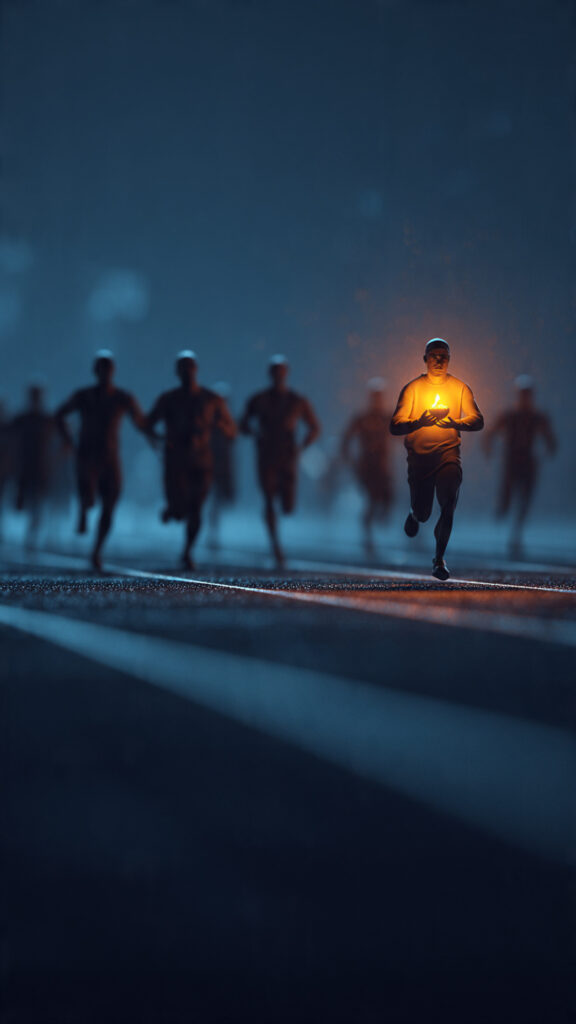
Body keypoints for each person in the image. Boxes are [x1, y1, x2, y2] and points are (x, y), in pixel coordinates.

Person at [390, 337, 484, 580]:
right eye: (434, 357)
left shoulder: (460, 388)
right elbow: (395, 425)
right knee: (424, 513)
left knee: (448, 503)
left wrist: (456, 423)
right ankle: (414, 514)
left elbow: (478, 420)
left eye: (443, 357)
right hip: (420, 459)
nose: (439, 361)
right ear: (425, 359)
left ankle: (439, 559)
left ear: (450, 360)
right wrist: (419, 422)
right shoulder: (412, 389)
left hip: (448, 454)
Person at [55, 351, 146, 571]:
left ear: (113, 372)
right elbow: (59, 414)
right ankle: (84, 508)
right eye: (101, 369)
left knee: (110, 504)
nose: (105, 374)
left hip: (109, 456)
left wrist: (159, 437)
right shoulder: (83, 396)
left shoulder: (122, 397)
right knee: (88, 493)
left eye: (108, 370)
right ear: (95, 372)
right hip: (87, 454)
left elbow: (141, 422)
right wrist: (68, 439)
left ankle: (97, 550)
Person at [146, 351, 237, 570]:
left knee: (196, 507)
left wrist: (220, 428)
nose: (188, 373)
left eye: (190, 368)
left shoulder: (211, 399)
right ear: (178, 372)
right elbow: (148, 424)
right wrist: (159, 443)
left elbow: (231, 429)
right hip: (176, 463)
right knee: (180, 509)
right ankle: (172, 510)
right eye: (183, 369)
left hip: (201, 462)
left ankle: (187, 551)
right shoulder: (169, 399)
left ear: (196, 370)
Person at [240, 355, 320, 567]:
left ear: (286, 374)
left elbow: (314, 427)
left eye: (281, 372)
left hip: (287, 457)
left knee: (288, 506)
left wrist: (302, 446)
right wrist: (255, 432)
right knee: (268, 499)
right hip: (266, 456)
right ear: (270, 374)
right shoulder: (259, 400)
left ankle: (279, 525)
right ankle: (275, 545)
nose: (278, 376)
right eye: (275, 373)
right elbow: (242, 424)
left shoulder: (297, 401)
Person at [484, 375, 557, 557]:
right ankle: (504, 518)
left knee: (525, 498)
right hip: (512, 461)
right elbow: (491, 433)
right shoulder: (510, 416)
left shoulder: (535, 417)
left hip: (526, 461)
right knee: (508, 497)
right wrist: (488, 447)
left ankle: (515, 533)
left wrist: (550, 448)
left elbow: (548, 436)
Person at [341, 377, 394, 555]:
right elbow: (346, 438)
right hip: (367, 467)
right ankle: (368, 536)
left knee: (388, 497)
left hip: (383, 466)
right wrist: (349, 460)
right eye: (375, 396)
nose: (377, 400)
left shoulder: (388, 418)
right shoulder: (362, 419)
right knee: (372, 499)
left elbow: (404, 435)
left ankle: (379, 520)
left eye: (379, 396)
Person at [11, 385, 57, 548]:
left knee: (37, 502)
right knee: (24, 501)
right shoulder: (23, 418)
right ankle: (29, 533)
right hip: (25, 466)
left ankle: (32, 535)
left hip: (40, 466)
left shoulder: (46, 419)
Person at [206, 382, 237, 550]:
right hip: (206, 462)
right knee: (207, 499)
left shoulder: (228, 420)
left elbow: (233, 436)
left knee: (216, 501)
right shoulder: (207, 418)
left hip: (221, 464)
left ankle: (213, 533)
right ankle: (209, 532)